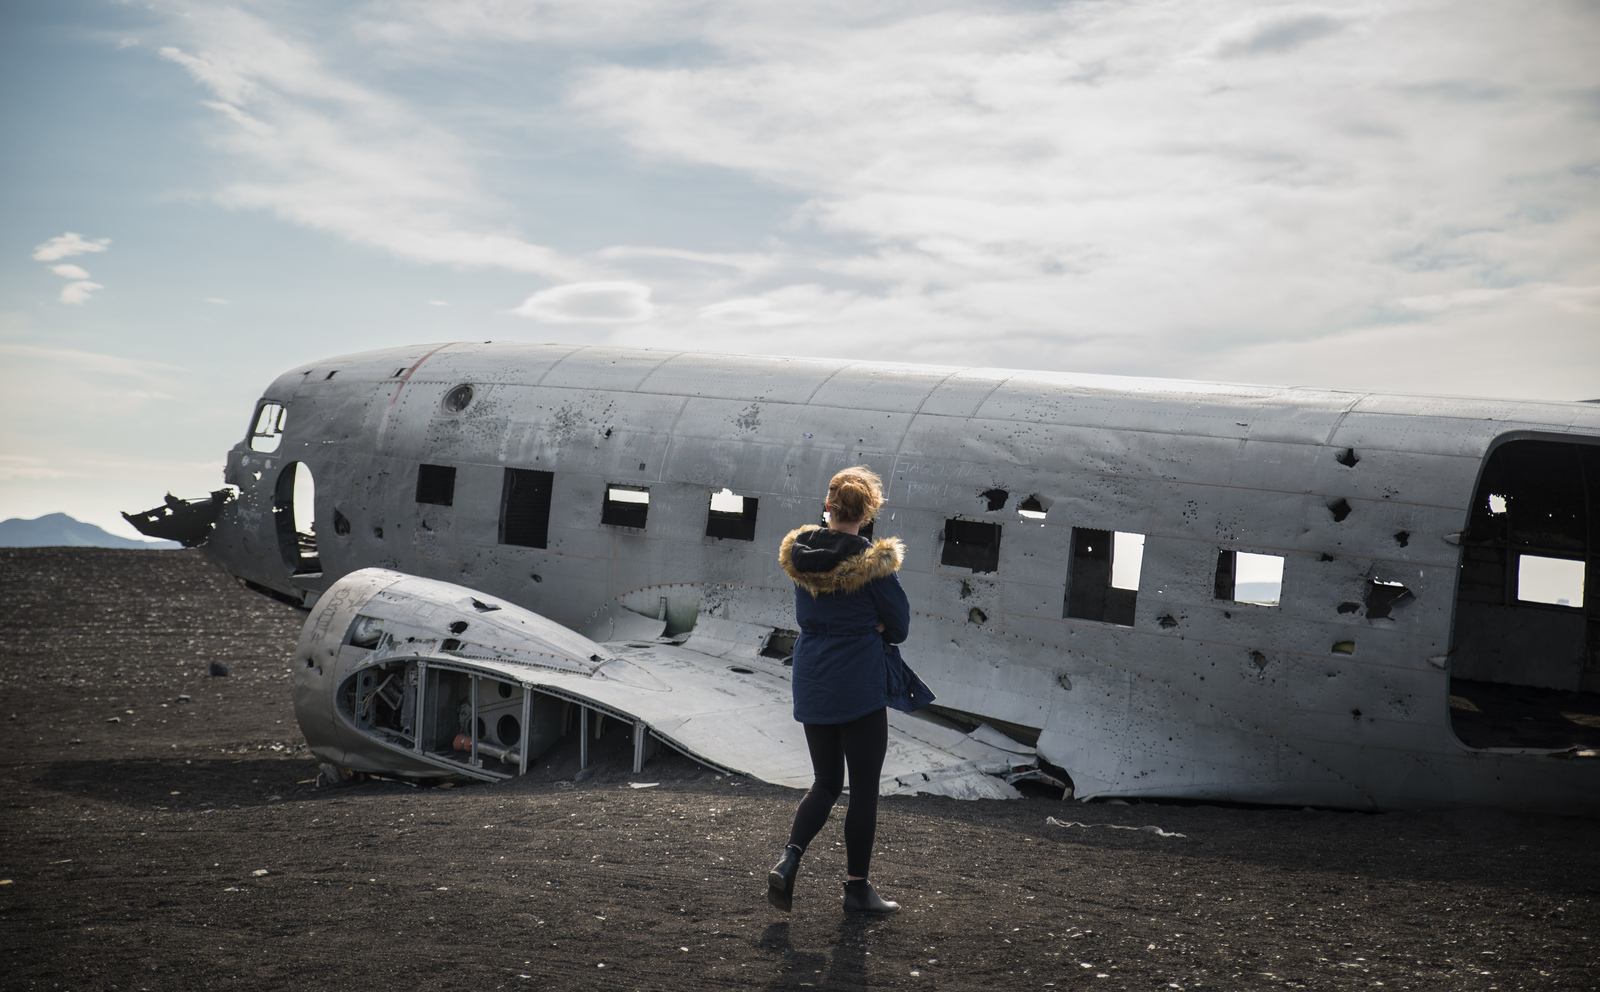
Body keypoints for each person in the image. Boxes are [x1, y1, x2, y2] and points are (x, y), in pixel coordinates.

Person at [768, 465, 911, 915]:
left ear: (827, 506)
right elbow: (901, 627)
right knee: (863, 789)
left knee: (825, 782)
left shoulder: (801, 556)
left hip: (812, 679)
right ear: (867, 514)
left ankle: (789, 859)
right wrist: (878, 623)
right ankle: (855, 890)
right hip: (859, 685)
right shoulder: (874, 568)